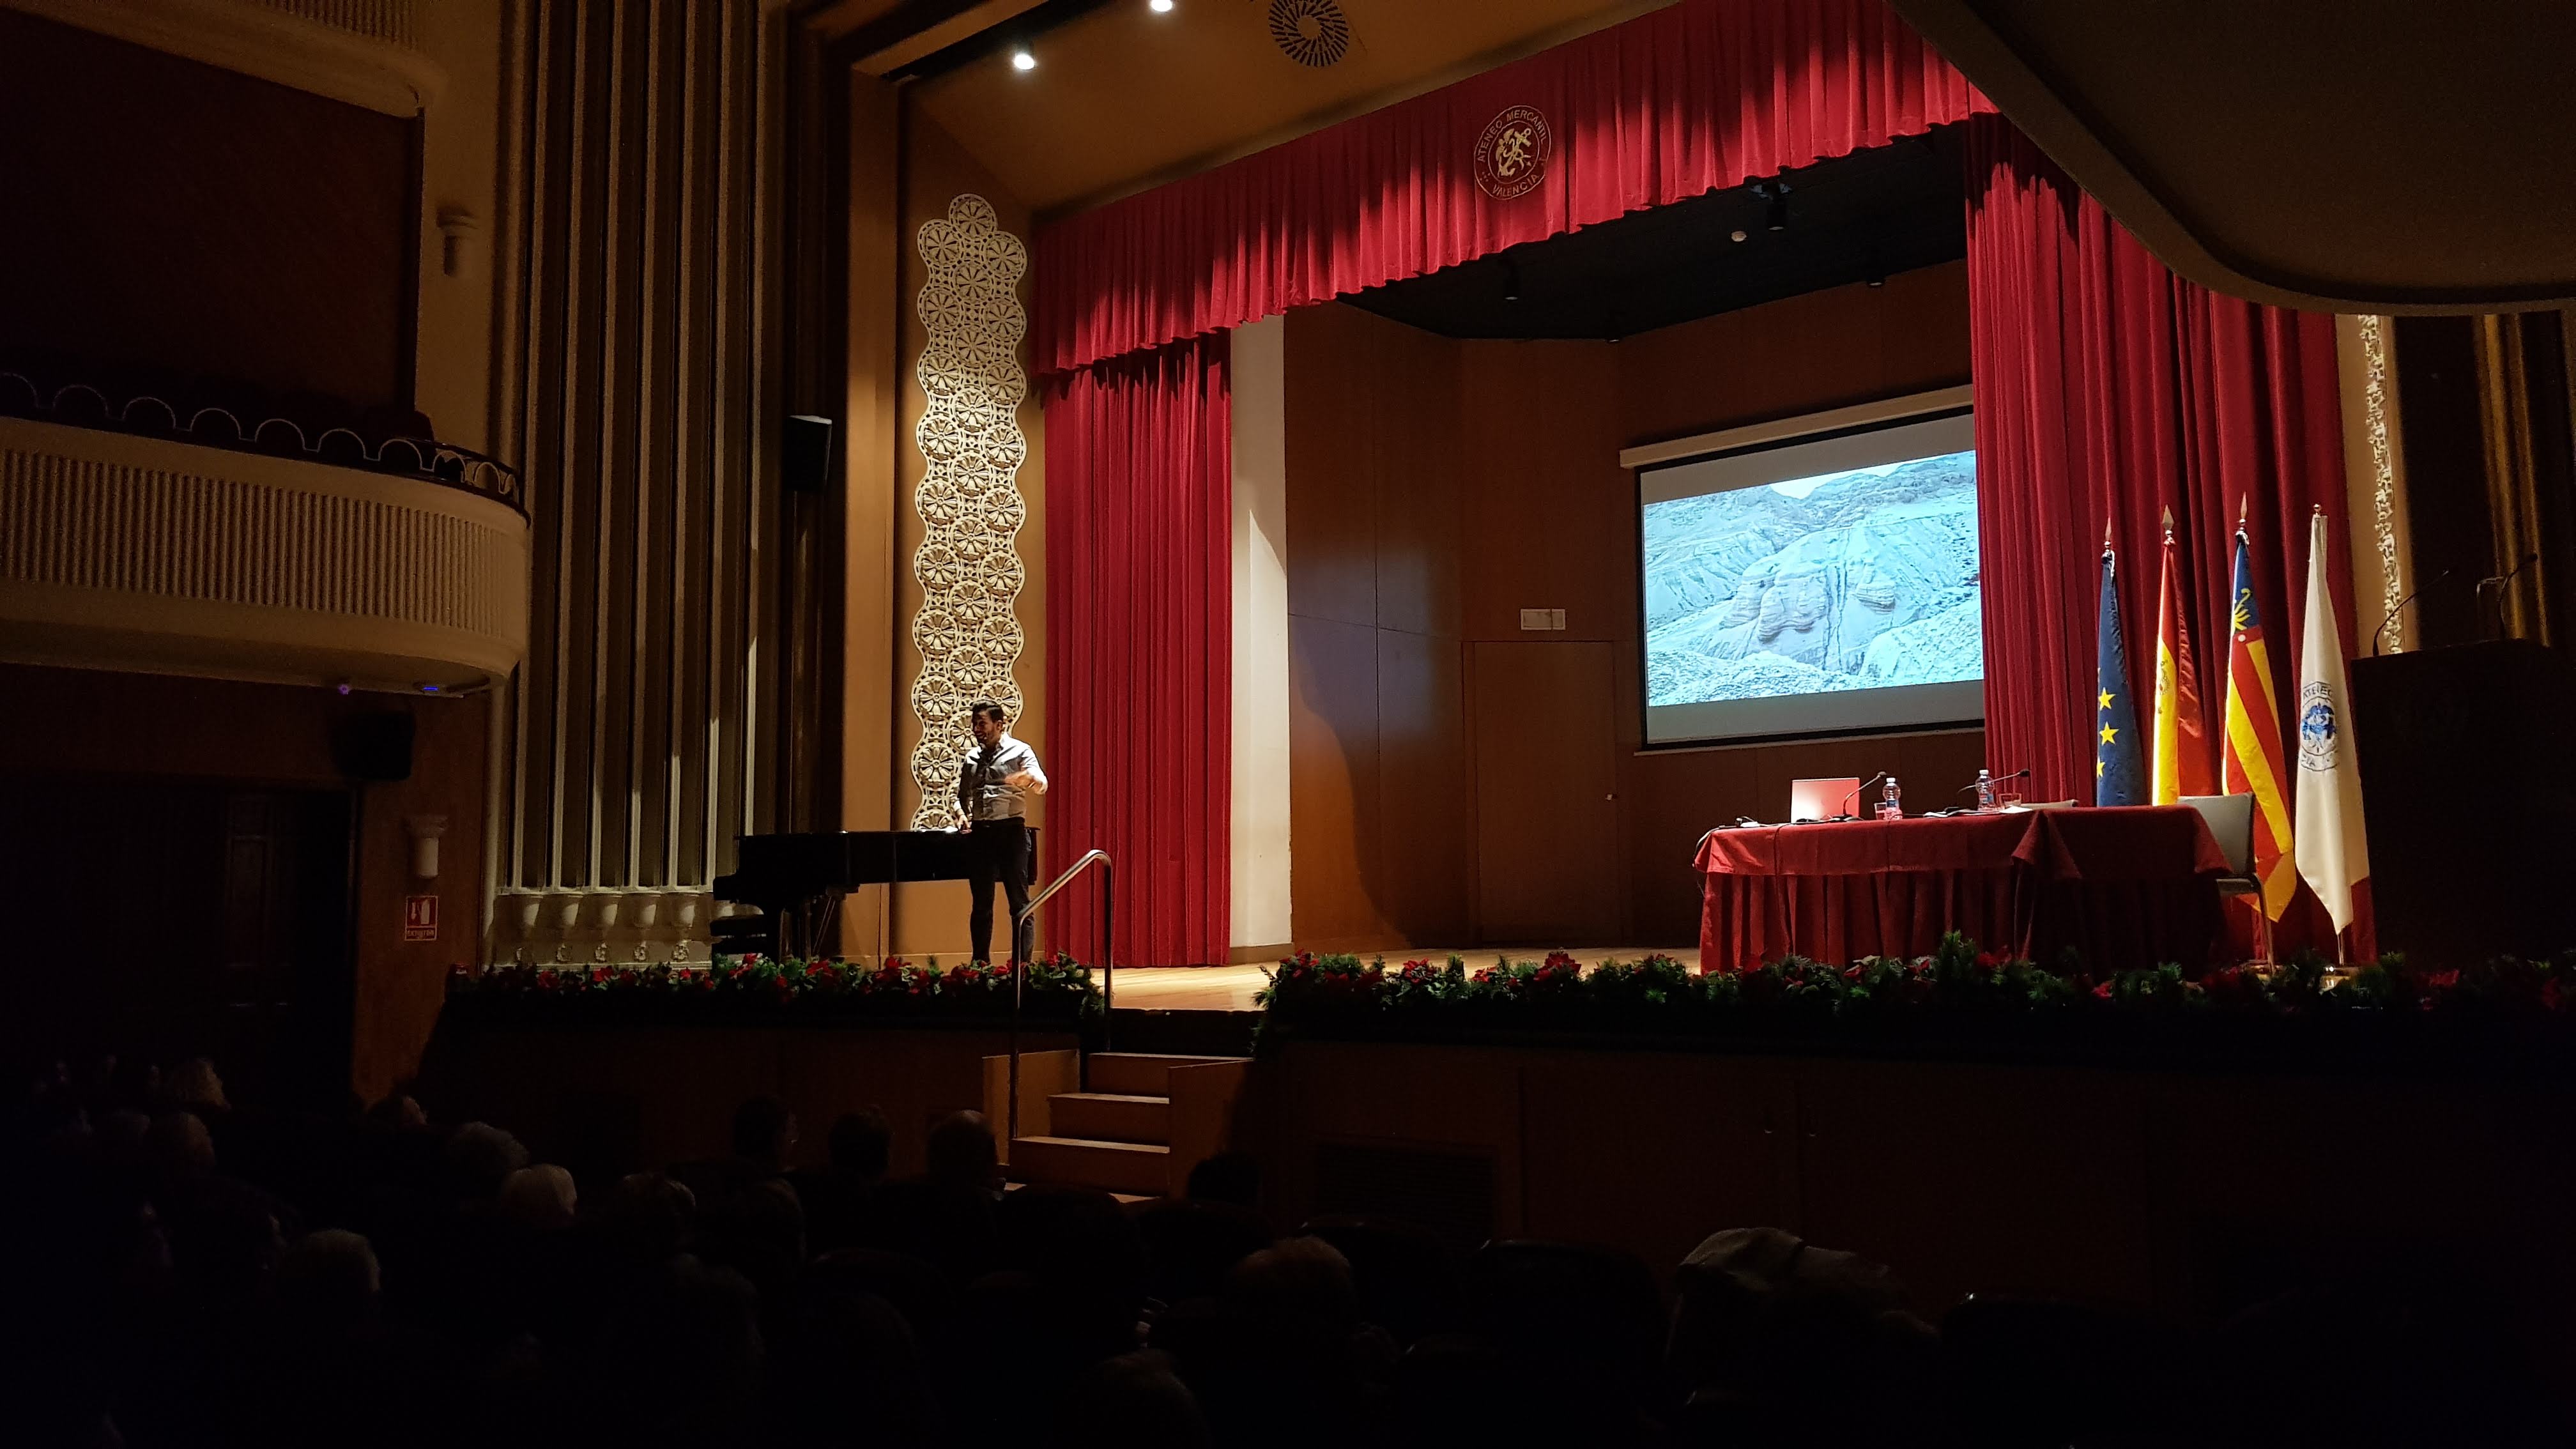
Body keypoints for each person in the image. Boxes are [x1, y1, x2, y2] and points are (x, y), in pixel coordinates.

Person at [954, 698, 1046, 965]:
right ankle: (979, 966)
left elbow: (1042, 783)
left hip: (1011, 833)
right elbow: (961, 796)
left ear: (1000, 724)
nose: (976, 729)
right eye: (974, 724)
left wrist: (1029, 779)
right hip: (981, 835)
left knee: (1019, 904)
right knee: (981, 905)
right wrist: (961, 814)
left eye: (982, 723)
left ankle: (1022, 967)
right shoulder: (972, 757)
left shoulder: (1020, 751)